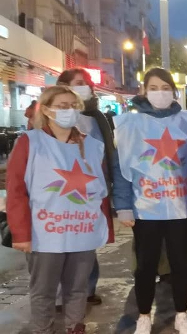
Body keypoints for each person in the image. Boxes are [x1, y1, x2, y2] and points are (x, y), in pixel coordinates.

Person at [6, 86, 110, 334]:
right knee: (44, 291)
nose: (69, 111)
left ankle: (75, 327)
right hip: (45, 234)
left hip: (82, 231)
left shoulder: (92, 146)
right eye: (62, 106)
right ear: (46, 110)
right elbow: (16, 189)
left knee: (77, 289)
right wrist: (21, 233)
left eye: (73, 106)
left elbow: (101, 190)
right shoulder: (30, 142)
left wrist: (104, 227)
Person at [113, 68, 187, 334]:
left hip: (181, 207)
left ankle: (181, 314)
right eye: (153, 88)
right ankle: (143, 315)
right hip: (145, 208)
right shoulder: (130, 125)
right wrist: (123, 206)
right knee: (145, 265)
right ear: (144, 91)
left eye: (165, 88)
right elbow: (121, 168)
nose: (160, 93)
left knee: (180, 264)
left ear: (174, 91)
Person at [56, 68, 123, 307]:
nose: (84, 87)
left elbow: (109, 152)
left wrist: (112, 185)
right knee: (59, 241)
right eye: (78, 82)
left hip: (92, 188)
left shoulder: (97, 117)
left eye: (86, 83)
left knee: (88, 239)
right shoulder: (49, 114)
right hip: (59, 188)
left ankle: (87, 289)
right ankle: (60, 293)